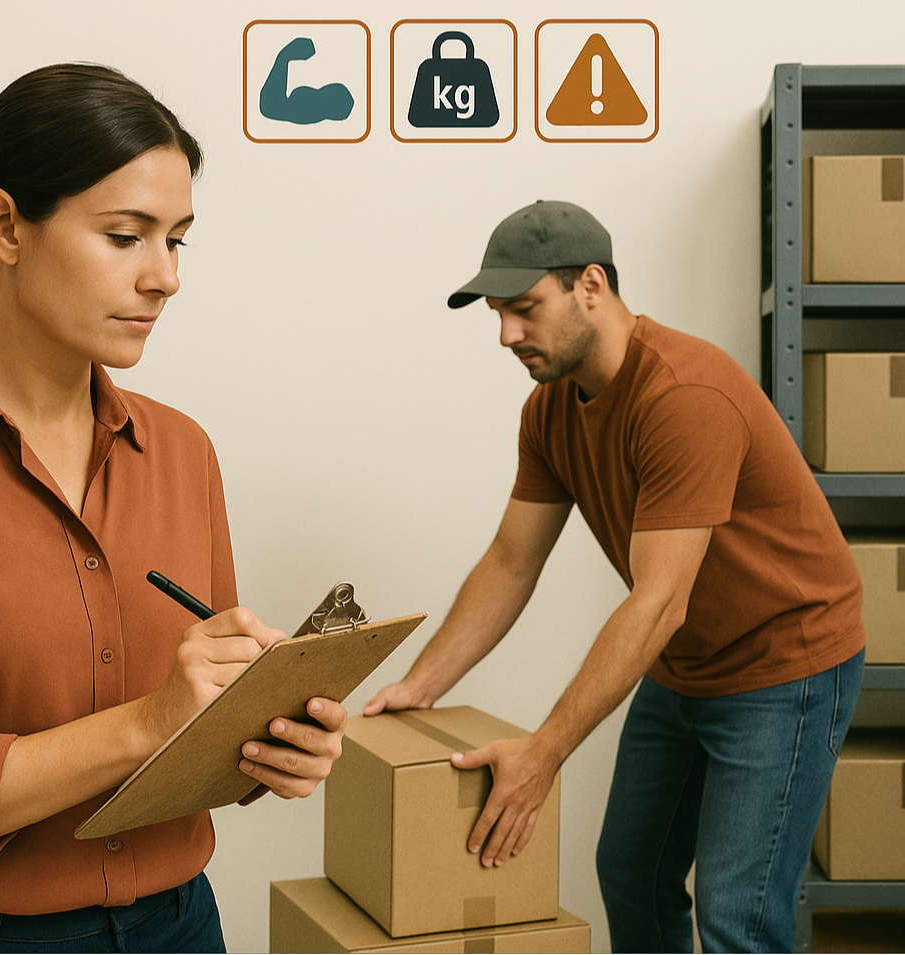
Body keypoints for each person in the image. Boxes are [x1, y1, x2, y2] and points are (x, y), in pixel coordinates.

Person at [0, 63, 346, 953]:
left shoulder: (183, 451)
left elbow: (188, 733)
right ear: (5, 226)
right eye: (127, 236)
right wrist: (150, 719)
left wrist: (264, 739)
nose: (165, 277)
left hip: (181, 924)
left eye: (178, 240)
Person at [365, 200, 865, 953]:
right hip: (687, 660)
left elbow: (659, 600)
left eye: (525, 308)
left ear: (590, 285)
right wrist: (423, 683)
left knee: (737, 915)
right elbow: (511, 561)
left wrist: (542, 754)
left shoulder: (683, 397)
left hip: (782, 665)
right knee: (631, 870)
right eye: (498, 313)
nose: (506, 334)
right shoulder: (550, 410)